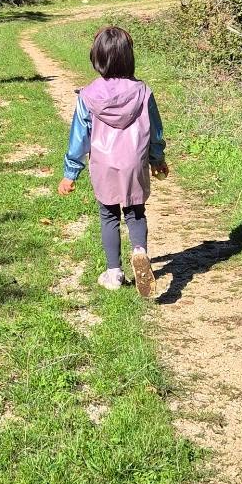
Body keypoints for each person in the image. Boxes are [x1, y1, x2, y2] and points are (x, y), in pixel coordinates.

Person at [57, 25, 169, 296]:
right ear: (129, 57)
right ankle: (139, 251)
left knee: (108, 214)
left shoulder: (88, 95)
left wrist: (70, 172)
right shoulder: (143, 92)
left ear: (97, 58)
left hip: (103, 163)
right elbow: (155, 130)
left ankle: (114, 272)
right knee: (135, 212)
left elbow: (79, 137)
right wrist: (157, 159)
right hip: (134, 162)